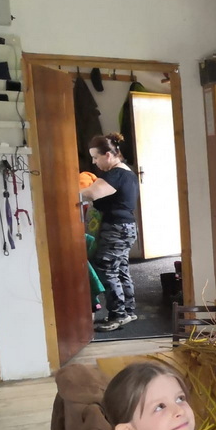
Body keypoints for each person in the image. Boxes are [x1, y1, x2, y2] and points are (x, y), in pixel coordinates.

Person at [82, 133, 139, 332]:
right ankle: (128, 310)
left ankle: (118, 315)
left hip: (116, 229)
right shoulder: (127, 172)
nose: (94, 162)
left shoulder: (116, 174)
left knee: (106, 268)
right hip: (126, 227)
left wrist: (69, 191)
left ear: (107, 155)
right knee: (120, 268)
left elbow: (90, 193)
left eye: (95, 157)